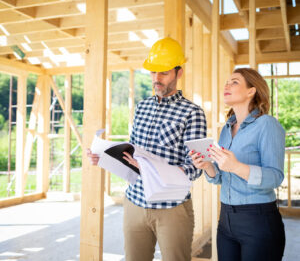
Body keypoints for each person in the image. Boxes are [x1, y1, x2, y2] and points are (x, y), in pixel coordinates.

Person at [87, 37, 207, 261]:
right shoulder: (141, 107)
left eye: (163, 73)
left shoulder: (192, 112)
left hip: (172, 208)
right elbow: (131, 154)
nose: (156, 79)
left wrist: (154, 168)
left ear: (178, 73)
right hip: (134, 202)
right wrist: (104, 157)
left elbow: (195, 168)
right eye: (153, 72)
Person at [190, 67, 286, 261]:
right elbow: (220, 177)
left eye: (234, 82)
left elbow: (276, 177)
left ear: (251, 91)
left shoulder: (267, 124)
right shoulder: (226, 129)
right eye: (227, 81)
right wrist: (207, 166)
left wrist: (236, 166)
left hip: (258, 220)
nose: (227, 85)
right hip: (226, 219)